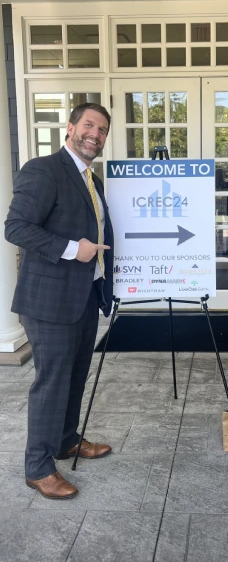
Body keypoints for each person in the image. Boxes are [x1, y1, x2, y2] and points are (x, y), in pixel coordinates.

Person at [5, 102, 114, 499]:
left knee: (74, 376)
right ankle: (38, 467)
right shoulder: (43, 169)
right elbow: (16, 227)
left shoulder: (91, 179)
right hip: (49, 301)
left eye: (102, 130)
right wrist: (71, 249)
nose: (95, 135)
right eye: (89, 125)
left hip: (84, 296)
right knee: (51, 383)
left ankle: (67, 439)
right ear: (71, 127)